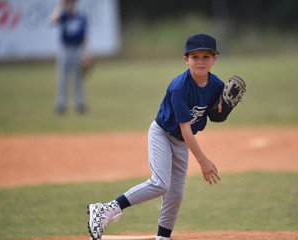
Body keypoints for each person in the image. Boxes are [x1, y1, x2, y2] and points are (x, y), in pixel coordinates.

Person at [87, 33, 225, 240]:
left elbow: (216, 116)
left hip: (181, 142)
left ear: (214, 60)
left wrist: (223, 110)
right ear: (186, 59)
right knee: (161, 183)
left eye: (206, 56)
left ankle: (163, 237)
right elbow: (186, 129)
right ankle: (107, 208)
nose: (201, 61)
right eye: (195, 57)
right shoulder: (179, 87)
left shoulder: (217, 86)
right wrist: (203, 161)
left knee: (175, 194)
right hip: (162, 134)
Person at [50, 0, 90, 114]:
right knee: (62, 78)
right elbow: (52, 20)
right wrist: (60, 5)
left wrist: (86, 53)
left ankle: (80, 104)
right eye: (70, 2)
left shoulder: (81, 17)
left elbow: (84, 37)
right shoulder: (64, 16)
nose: (72, 4)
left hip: (77, 49)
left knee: (79, 79)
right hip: (65, 49)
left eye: (73, 2)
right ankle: (61, 104)